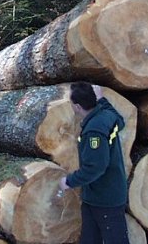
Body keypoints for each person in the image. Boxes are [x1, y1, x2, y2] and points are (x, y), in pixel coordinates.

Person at [58, 81, 129, 244]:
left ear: (76, 106)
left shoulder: (94, 131)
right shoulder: (105, 116)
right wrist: (102, 100)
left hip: (105, 199)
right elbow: (120, 119)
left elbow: (96, 167)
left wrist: (69, 181)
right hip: (96, 197)